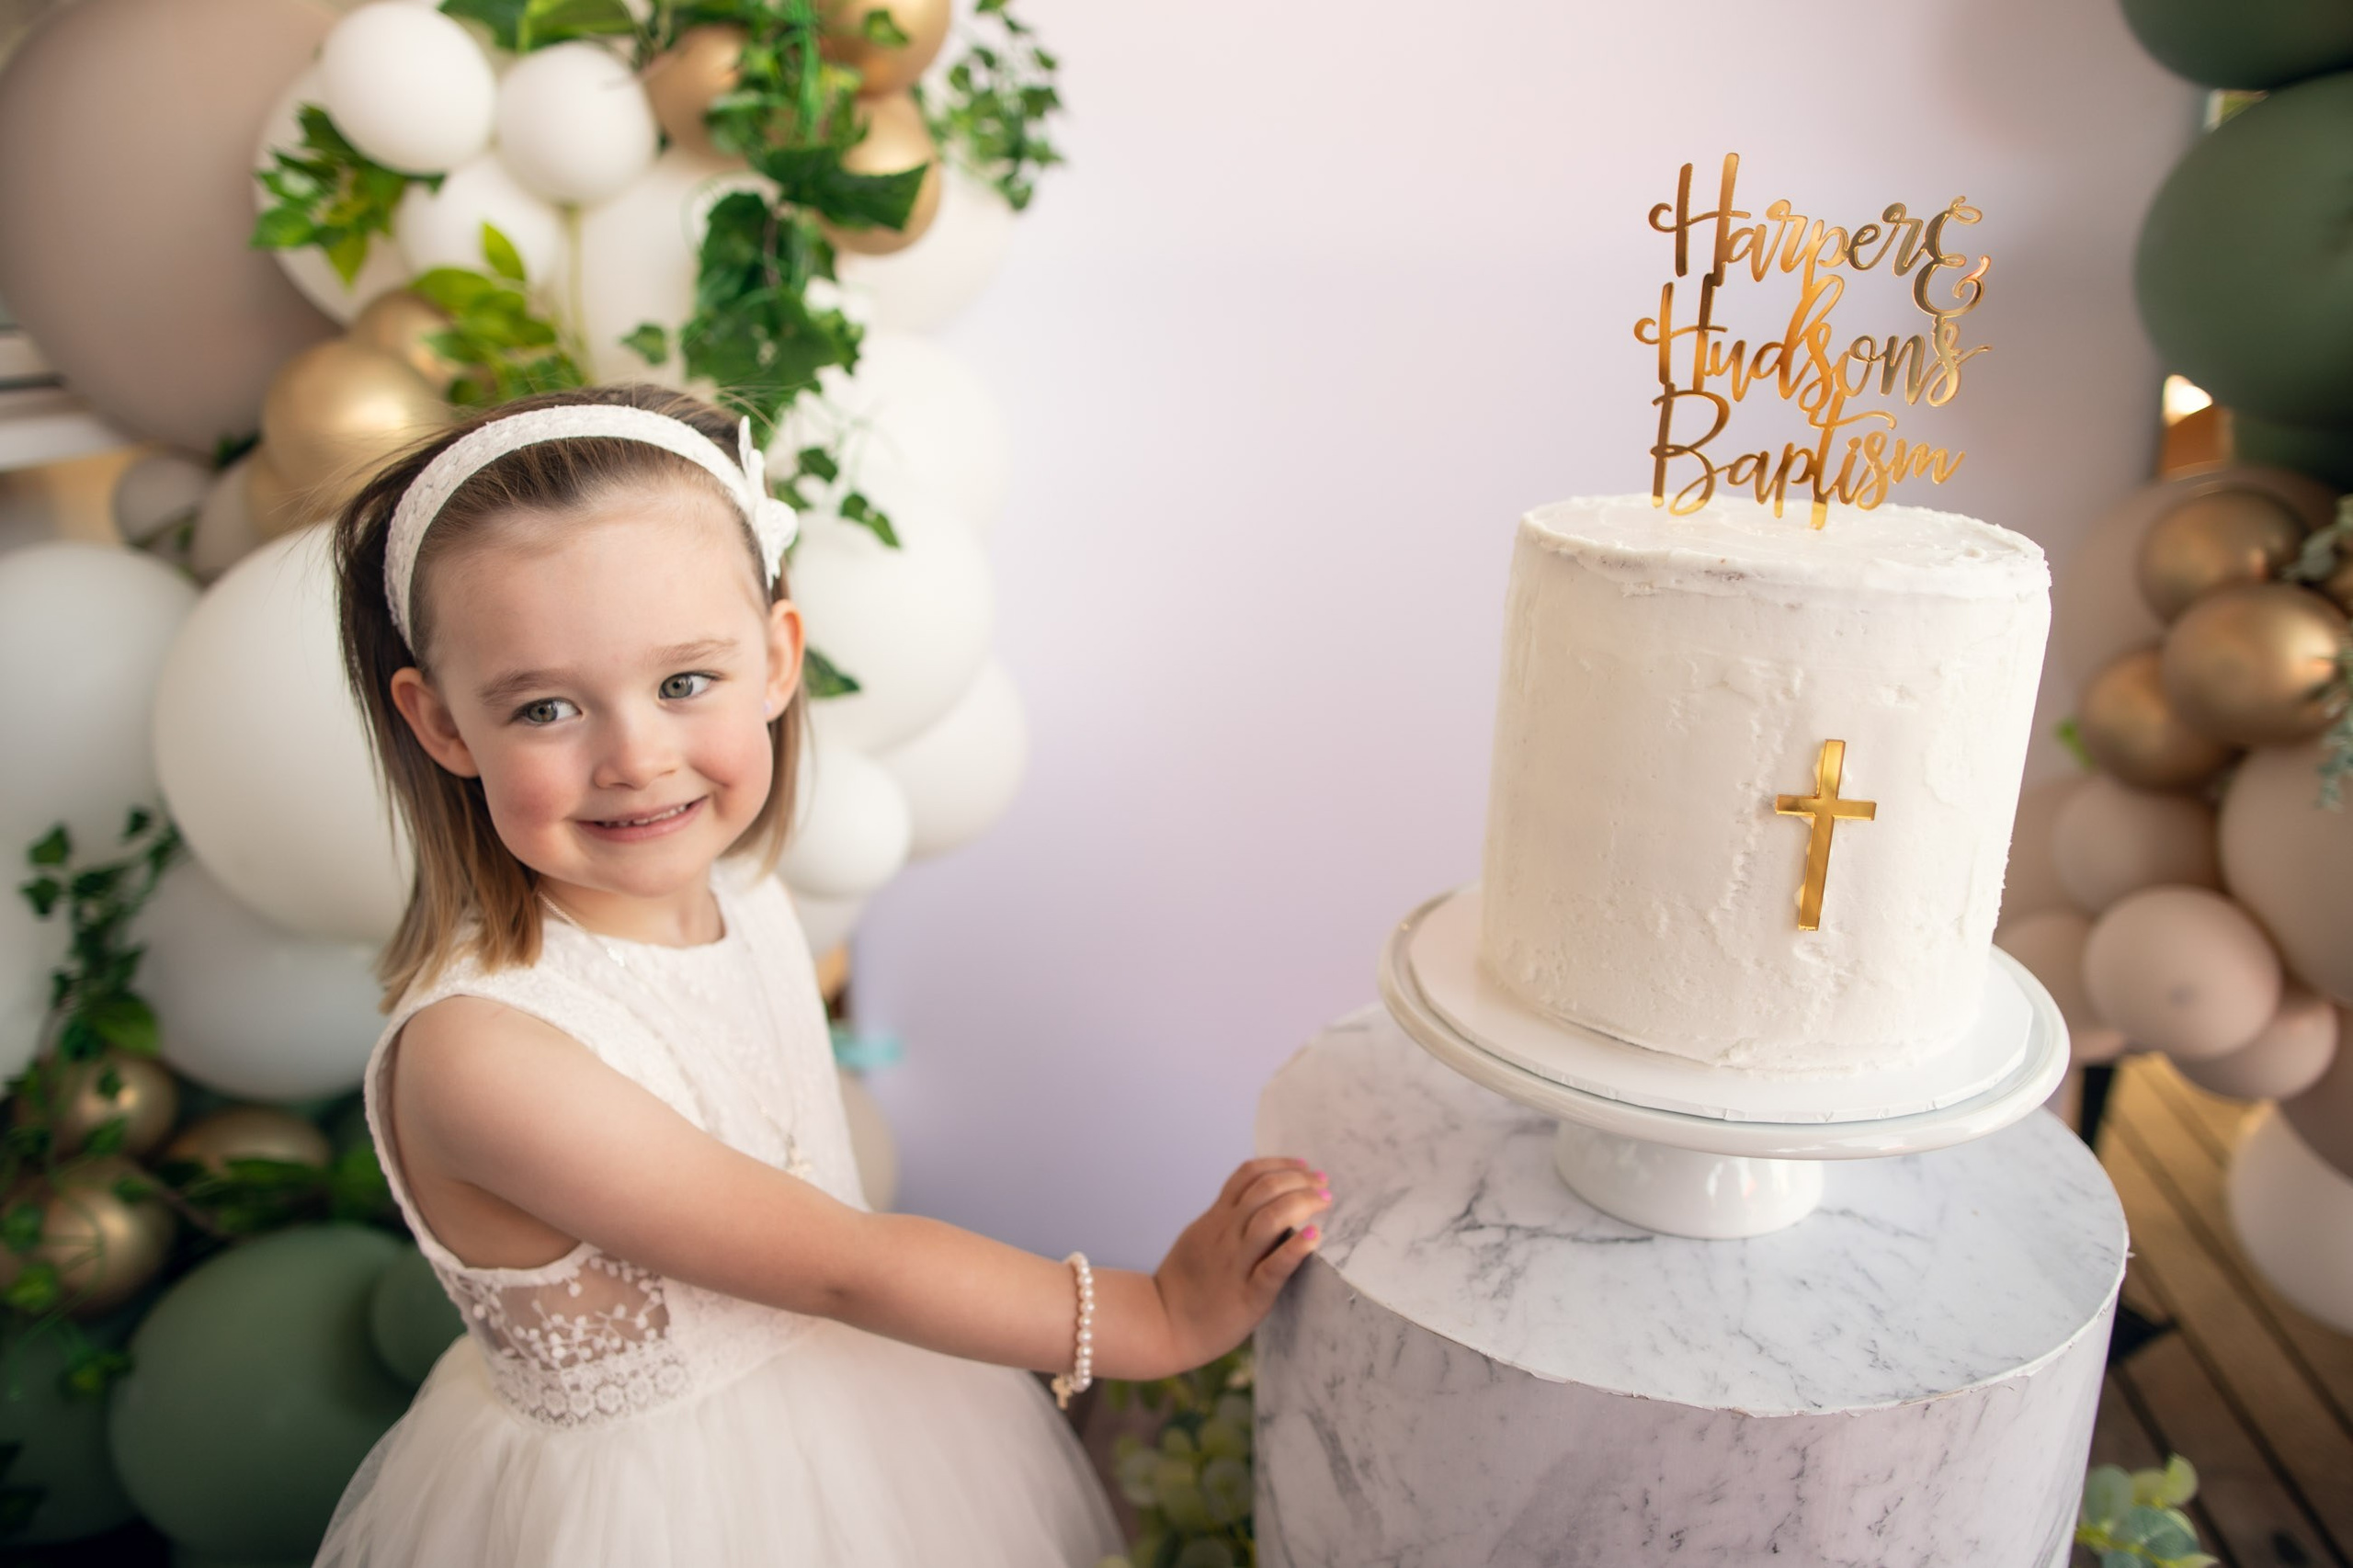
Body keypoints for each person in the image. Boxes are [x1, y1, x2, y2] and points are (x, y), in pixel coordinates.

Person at [312, 384, 1333, 1566]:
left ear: (777, 658)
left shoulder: (750, 894)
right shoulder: (485, 1056)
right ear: (440, 726)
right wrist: (1149, 1313)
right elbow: (842, 1264)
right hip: (659, 1513)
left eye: (684, 681)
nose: (635, 757)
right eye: (545, 706)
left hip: (863, 1417)